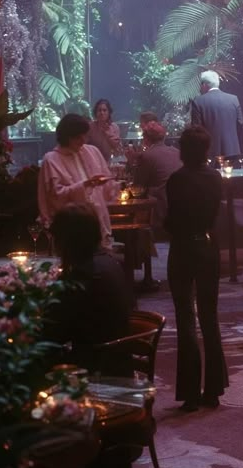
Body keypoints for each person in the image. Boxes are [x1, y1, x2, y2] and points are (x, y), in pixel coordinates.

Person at [166, 126, 228, 412]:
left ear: (183, 150)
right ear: (206, 150)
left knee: (185, 318)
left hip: (182, 249)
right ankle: (213, 389)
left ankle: (190, 393)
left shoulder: (176, 180)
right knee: (209, 316)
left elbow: (172, 220)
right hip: (208, 245)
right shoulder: (215, 179)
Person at [46, 204, 133, 375]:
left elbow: (53, 331)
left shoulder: (84, 274)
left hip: (94, 367)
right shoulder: (110, 263)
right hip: (118, 361)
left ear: (67, 241)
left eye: (55, 238)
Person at [38, 113, 117, 248]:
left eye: (84, 135)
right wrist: (85, 185)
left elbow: (108, 188)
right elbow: (55, 196)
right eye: (77, 137)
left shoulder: (92, 151)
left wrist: (110, 182)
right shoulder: (51, 159)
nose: (82, 140)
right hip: (71, 225)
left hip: (97, 219)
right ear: (65, 137)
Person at [132, 121, 182, 231]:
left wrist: (132, 163)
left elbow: (138, 187)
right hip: (181, 208)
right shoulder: (177, 152)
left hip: (159, 211)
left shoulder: (146, 156)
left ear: (145, 138)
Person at [190, 69, 243, 160]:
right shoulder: (233, 99)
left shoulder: (198, 101)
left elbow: (196, 129)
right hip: (232, 150)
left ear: (205, 84)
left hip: (208, 152)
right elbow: (240, 122)